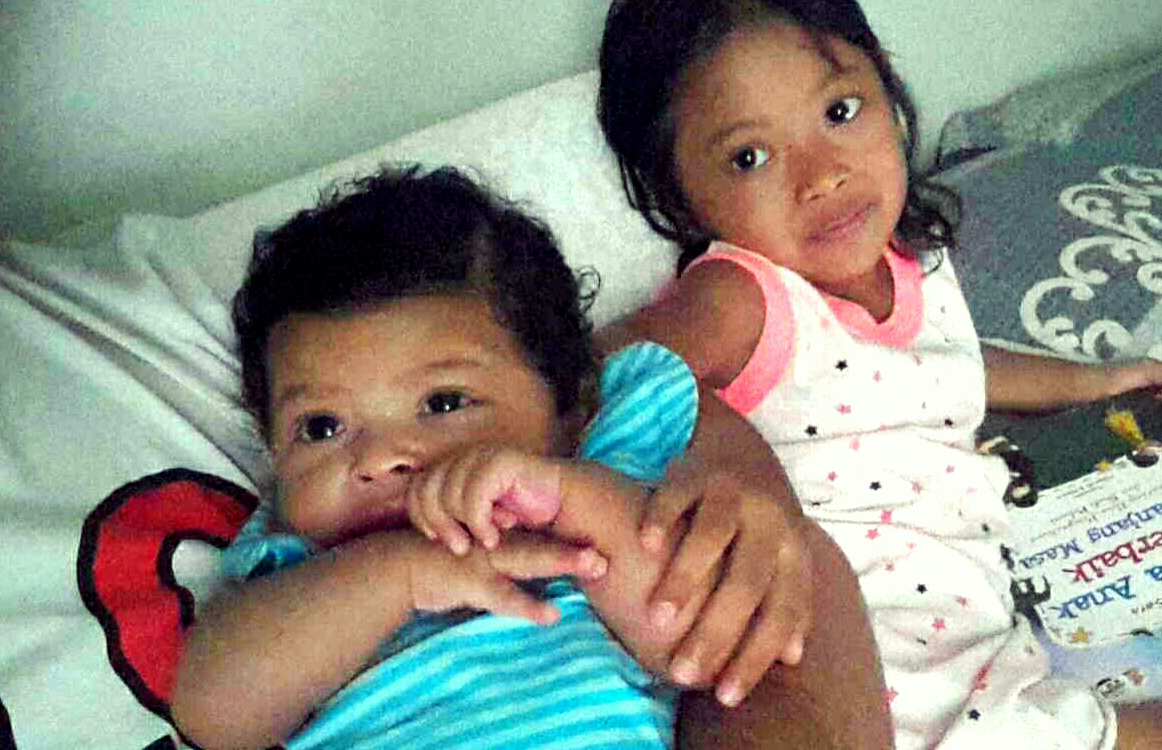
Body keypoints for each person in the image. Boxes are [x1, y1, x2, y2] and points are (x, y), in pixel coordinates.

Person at [595, 0, 1162, 750]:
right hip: (873, 679)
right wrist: (720, 453)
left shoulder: (906, 264)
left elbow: (949, 364)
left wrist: (1095, 380)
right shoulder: (741, 297)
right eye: (750, 156)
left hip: (982, 646)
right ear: (678, 198)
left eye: (840, 112)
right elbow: (596, 367)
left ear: (886, 83)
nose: (821, 173)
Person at [170, 165, 894, 749]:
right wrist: (401, 574)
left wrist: (573, 501)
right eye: (322, 426)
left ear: (568, 409)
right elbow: (213, 713)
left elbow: (694, 641)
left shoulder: (596, 494)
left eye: (443, 403)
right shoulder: (294, 568)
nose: (379, 458)